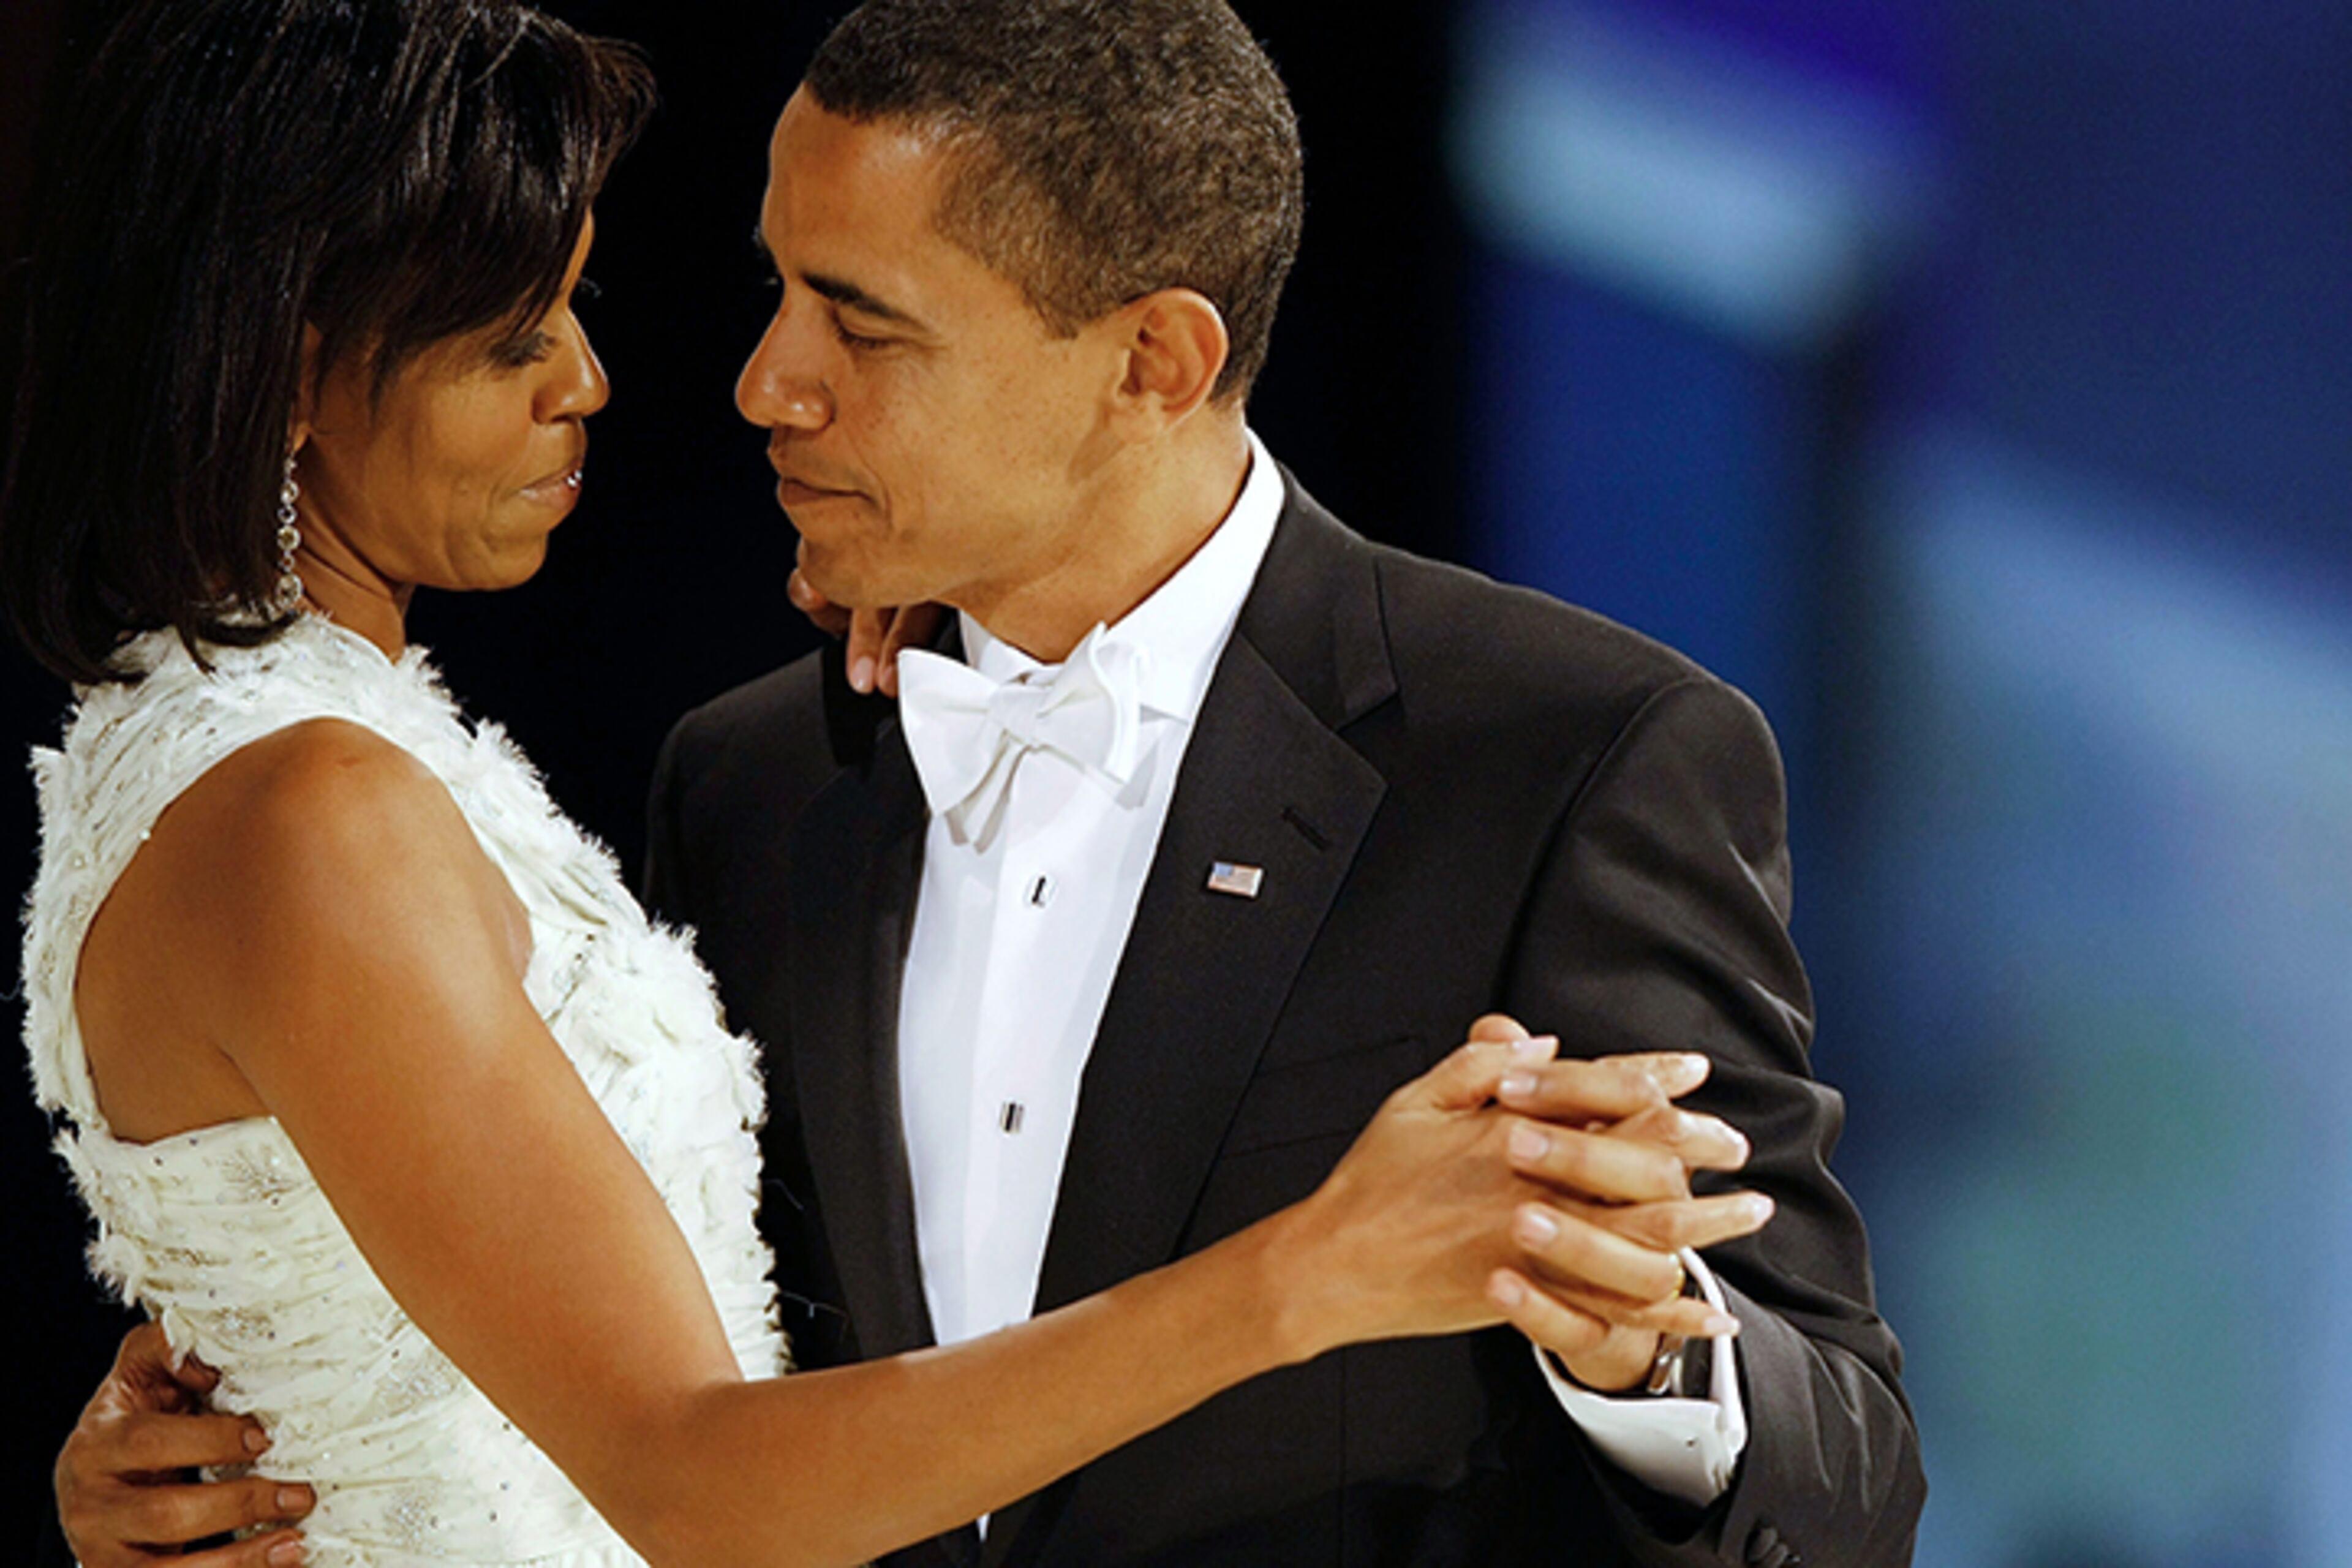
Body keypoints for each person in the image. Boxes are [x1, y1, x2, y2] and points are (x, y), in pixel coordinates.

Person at [8, 2, 1774, 1566]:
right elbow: (696, 1464)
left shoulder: (1570, 757)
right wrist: (1311, 1272)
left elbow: (1823, 1428)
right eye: (514, 335)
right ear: (292, 366)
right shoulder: (713, 787)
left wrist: (1640, 1352)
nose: (722, 382)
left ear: (1152, 361)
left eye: (860, 321)